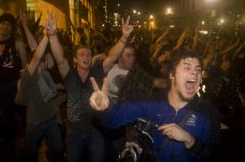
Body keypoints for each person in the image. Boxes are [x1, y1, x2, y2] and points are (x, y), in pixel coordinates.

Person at [89, 50, 221, 162]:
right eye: (187, 68)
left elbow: (211, 155)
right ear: (171, 75)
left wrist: (190, 141)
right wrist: (105, 109)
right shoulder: (150, 104)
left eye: (198, 70)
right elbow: (114, 119)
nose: (194, 73)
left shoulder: (208, 113)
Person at [46, 10, 133, 162]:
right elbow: (60, 59)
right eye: (82, 54)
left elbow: (112, 57)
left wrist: (124, 37)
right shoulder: (69, 74)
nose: (86, 56)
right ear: (74, 59)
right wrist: (53, 36)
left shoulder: (97, 71)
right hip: (73, 131)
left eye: (88, 54)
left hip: (95, 129)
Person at [15, 15, 63, 161]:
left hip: (51, 120)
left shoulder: (45, 74)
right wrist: (48, 35)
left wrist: (25, 25)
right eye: (40, 62)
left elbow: (34, 47)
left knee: (59, 148)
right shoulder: (28, 77)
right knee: (30, 152)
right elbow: (36, 56)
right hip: (34, 124)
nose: (43, 64)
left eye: (43, 62)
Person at [0, 12, 27, 143]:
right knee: (7, 110)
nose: (5, 26)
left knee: (13, 110)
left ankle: (13, 137)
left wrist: (22, 83)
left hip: (13, 83)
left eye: (9, 25)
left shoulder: (17, 43)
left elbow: (26, 66)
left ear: (12, 28)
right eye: (3, 23)